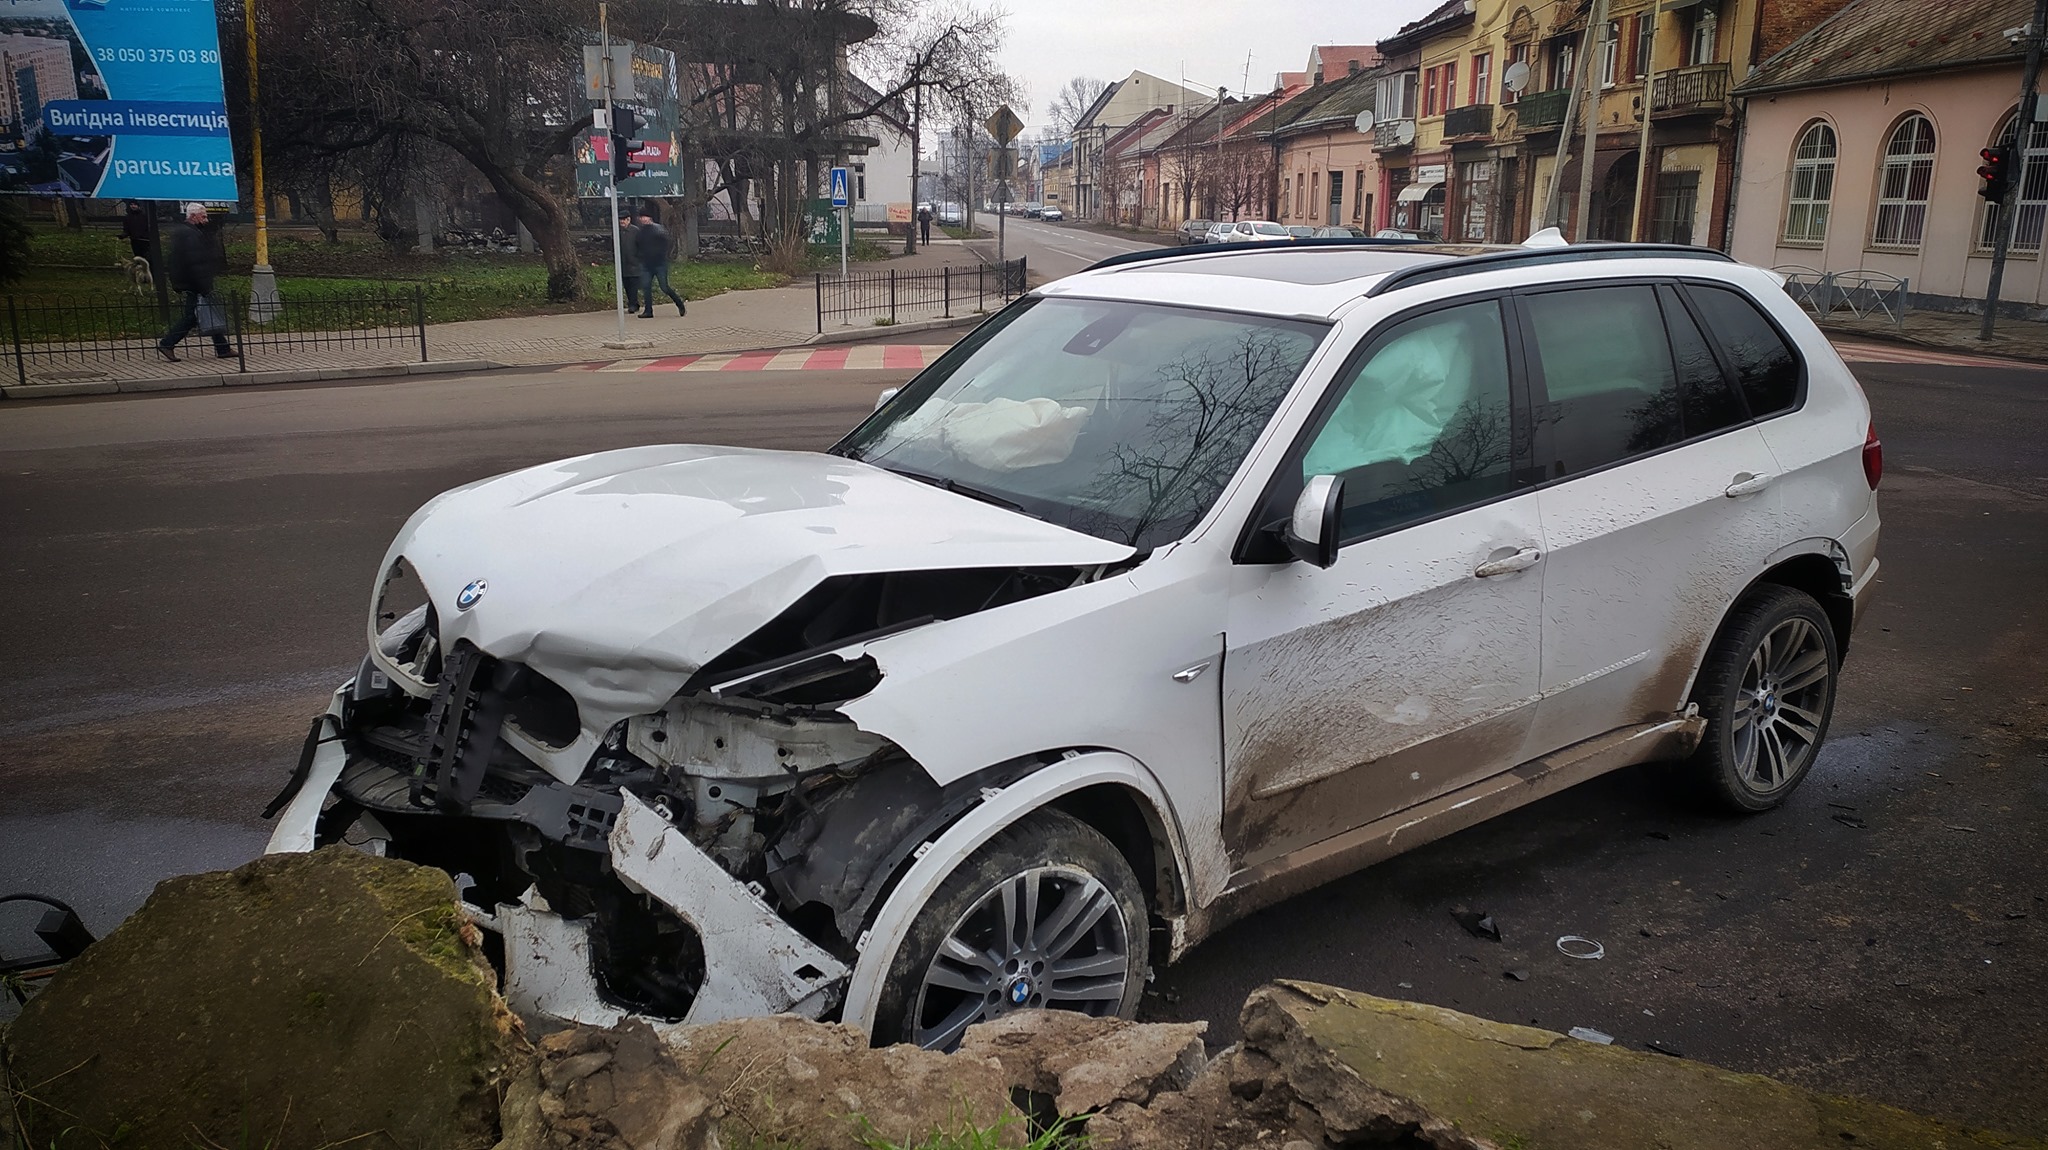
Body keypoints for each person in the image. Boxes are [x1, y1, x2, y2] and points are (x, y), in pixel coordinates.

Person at [157, 202, 232, 362]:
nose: (206, 220)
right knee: (192, 316)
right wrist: (204, 286)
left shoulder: (191, 232)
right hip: (195, 283)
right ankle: (167, 343)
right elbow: (195, 263)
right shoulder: (190, 235)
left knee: (208, 313)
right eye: (203, 216)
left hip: (194, 282)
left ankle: (223, 348)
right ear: (193, 216)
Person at [634, 211, 685, 318]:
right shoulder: (640, 232)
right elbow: (637, 245)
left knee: (664, 287)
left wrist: (662, 255)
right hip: (646, 264)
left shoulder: (658, 229)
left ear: (650, 218)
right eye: (642, 217)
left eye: (646, 217)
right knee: (646, 287)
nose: (644, 219)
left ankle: (679, 303)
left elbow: (667, 243)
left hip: (659, 264)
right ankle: (648, 311)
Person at [617, 210, 644, 314]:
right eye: (620, 219)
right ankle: (634, 303)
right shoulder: (617, 231)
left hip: (634, 264)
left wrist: (639, 258)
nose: (621, 222)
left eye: (624, 219)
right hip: (623, 264)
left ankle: (632, 304)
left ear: (629, 220)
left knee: (633, 286)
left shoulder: (635, 231)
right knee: (627, 285)